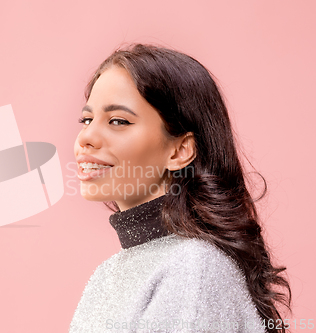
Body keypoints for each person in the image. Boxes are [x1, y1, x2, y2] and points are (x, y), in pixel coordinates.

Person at [70, 43, 291, 333]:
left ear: (179, 151)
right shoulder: (110, 272)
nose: (86, 137)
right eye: (86, 119)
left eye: (118, 121)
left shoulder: (193, 269)